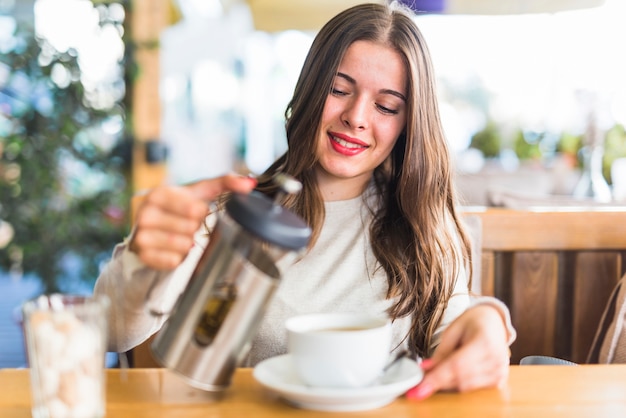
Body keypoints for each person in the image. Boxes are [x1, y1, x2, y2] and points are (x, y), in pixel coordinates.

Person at [95, 1, 515, 400]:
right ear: (310, 90)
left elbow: (456, 326)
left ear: (408, 124)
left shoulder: (425, 227)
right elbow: (111, 331)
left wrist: (488, 322)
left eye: (386, 106)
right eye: (338, 89)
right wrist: (144, 265)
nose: (356, 116)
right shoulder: (234, 214)